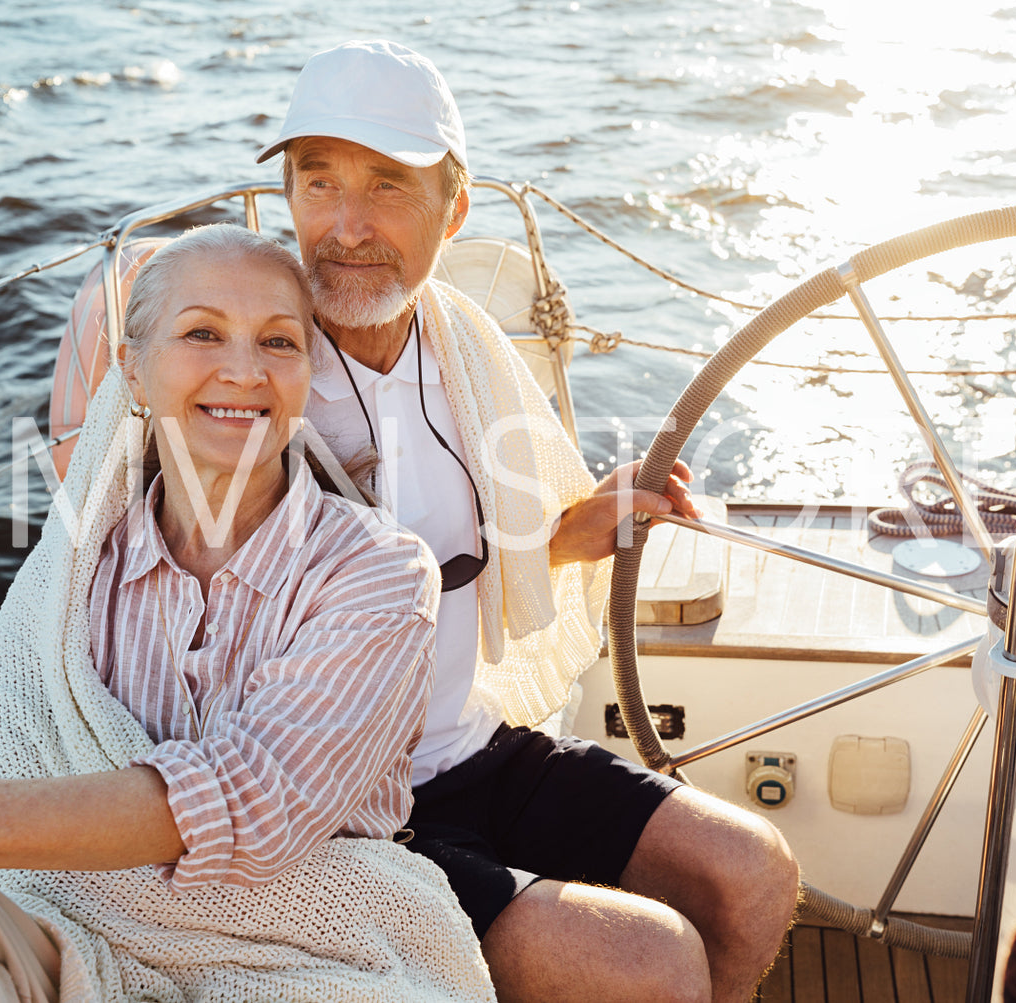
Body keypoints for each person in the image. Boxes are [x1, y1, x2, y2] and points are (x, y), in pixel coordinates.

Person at [0, 224, 492, 1003]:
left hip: (307, 952)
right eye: (201, 333)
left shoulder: (379, 570)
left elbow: (257, 793)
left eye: (278, 341)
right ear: (131, 369)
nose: (242, 369)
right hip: (64, 915)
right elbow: (14, 749)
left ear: (306, 370)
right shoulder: (73, 568)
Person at [257, 40, 801, 1003]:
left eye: (386, 185)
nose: (343, 226)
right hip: (337, 809)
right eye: (317, 181)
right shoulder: (250, 362)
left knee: (751, 872)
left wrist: (573, 526)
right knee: (650, 961)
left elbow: (460, 556)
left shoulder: (460, 342)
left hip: (469, 745)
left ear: (452, 211)